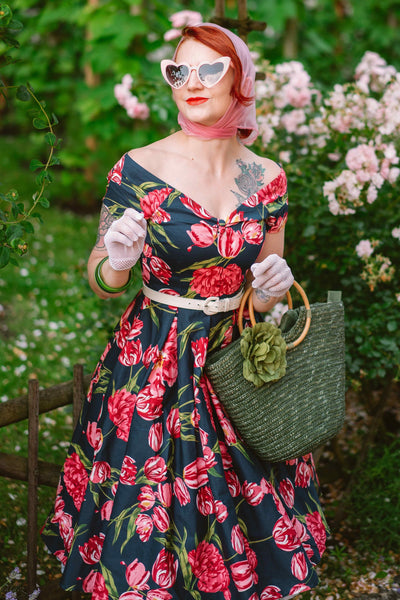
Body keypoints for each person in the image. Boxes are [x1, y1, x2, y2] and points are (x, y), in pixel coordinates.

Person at [41, 22, 328, 600]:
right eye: (179, 71)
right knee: (150, 508)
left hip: (233, 359)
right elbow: (101, 277)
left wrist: (273, 284)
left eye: (209, 70)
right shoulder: (137, 169)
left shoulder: (267, 179)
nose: (191, 83)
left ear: (239, 79)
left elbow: (264, 288)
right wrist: (116, 258)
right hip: (155, 361)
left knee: (245, 510)